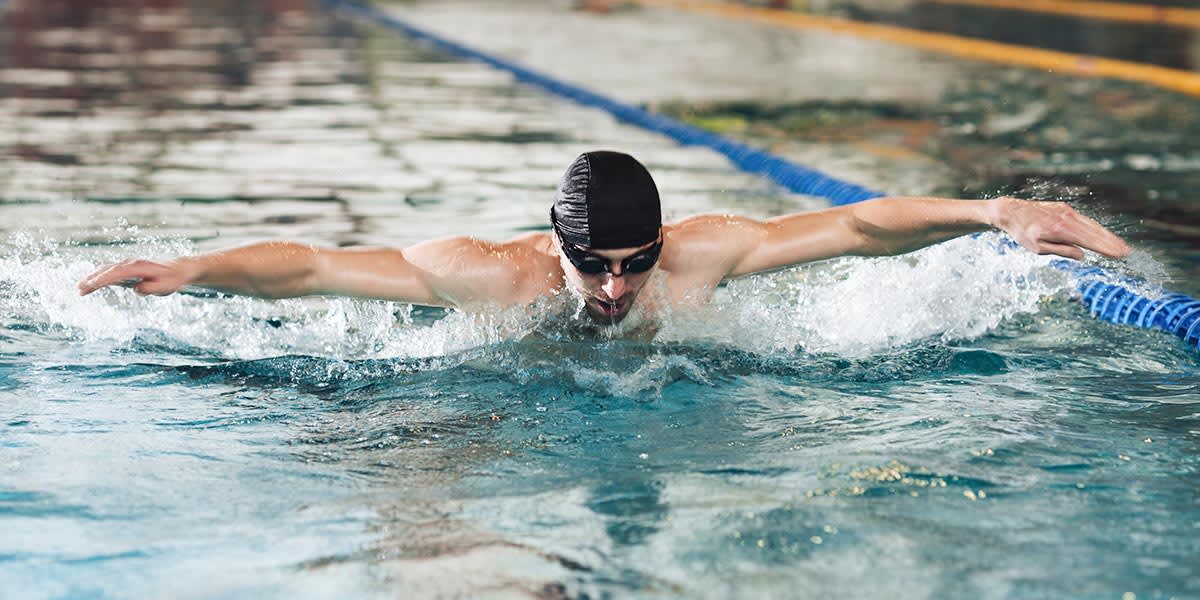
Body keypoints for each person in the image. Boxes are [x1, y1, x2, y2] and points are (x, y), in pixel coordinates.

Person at [78, 150, 1130, 327]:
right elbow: (307, 267)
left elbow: (855, 226)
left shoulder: (704, 252)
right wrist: (198, 269)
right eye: (593, 264)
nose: (616, 290)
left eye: (635, 263)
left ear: (663, 237)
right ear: (555, 242)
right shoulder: (490, 277)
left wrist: (990, 213)